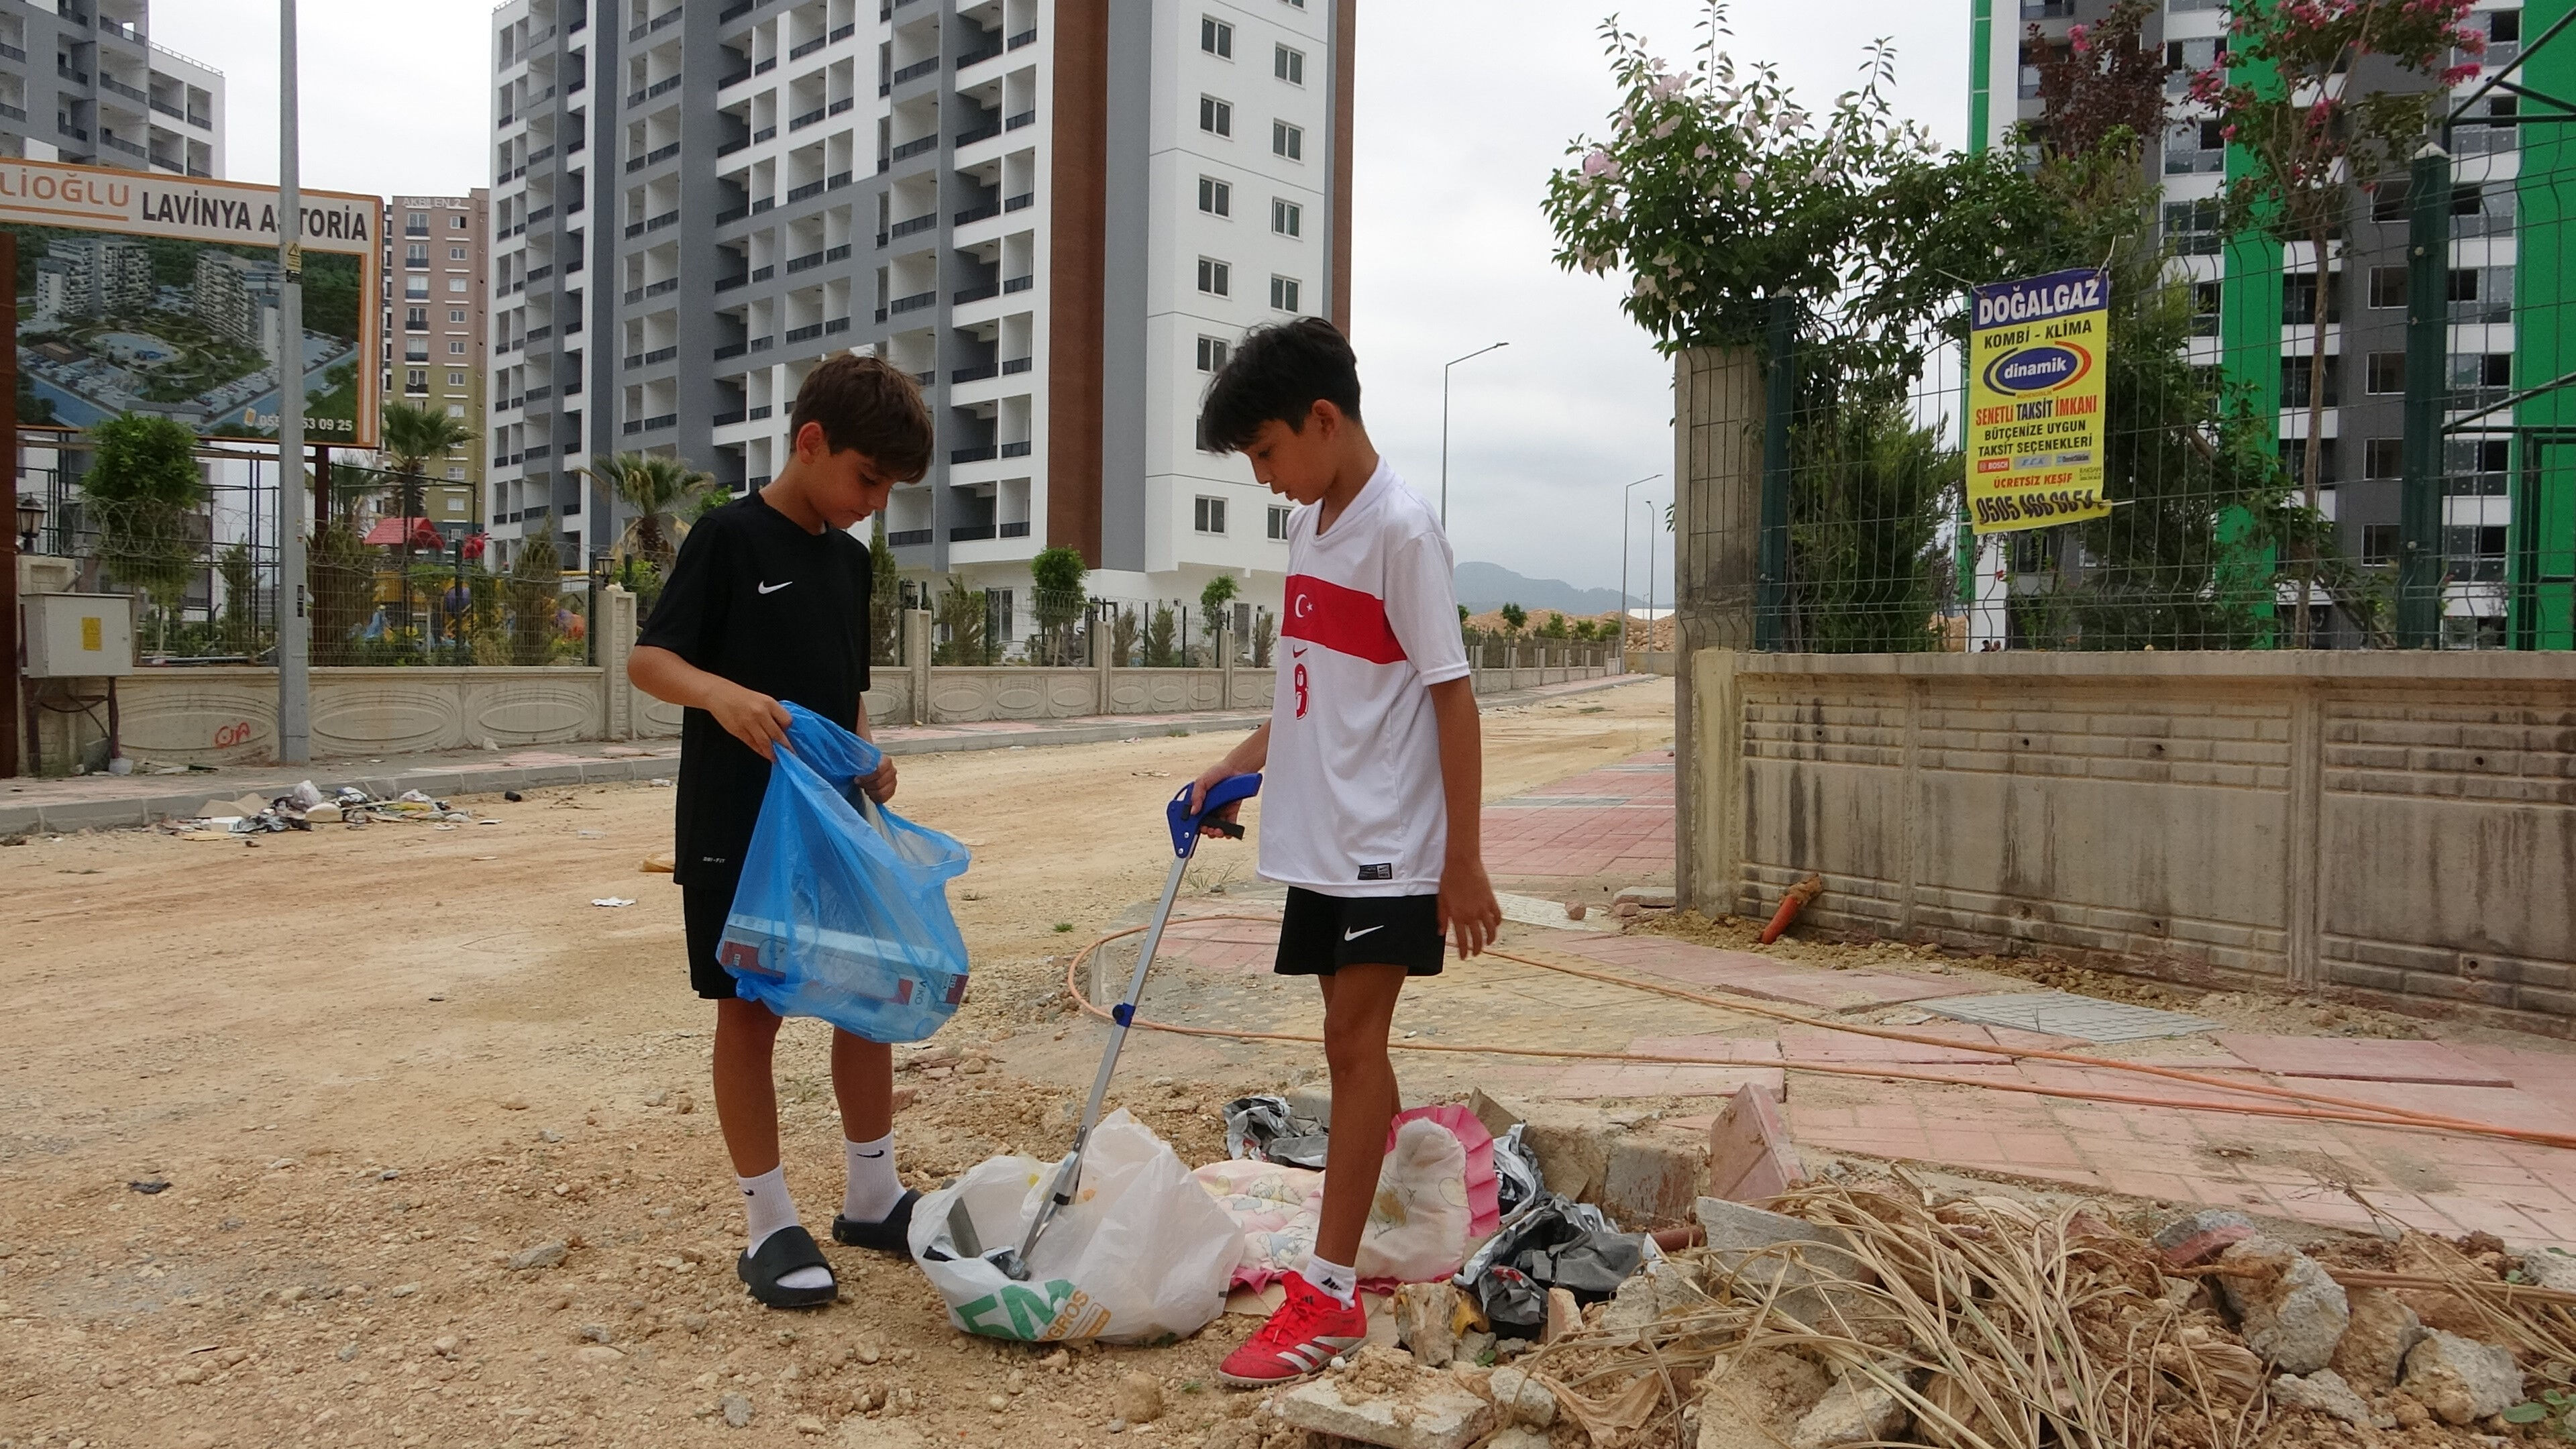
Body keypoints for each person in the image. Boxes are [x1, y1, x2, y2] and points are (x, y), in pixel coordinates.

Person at [1183, 318, 1503, 1386]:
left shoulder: (1400, 531)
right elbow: (1307, 698)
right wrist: (1229, 769)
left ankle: (1325, 1300)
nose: (1267, 478)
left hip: (1390, 848)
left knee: (1352, 1043)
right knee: (1348, 1043)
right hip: (1322, 842)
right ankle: (1357, 1251)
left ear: (1324, 419)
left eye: (1268, 452)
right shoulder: (1312, 526)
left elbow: (1454, 701)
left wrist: (1463, 861)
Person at [627, 354, 934, 1309]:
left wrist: (869, 762)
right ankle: (768, 1223)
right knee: (749, 1011)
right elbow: (648, 659)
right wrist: (721, 696)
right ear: (811, 444)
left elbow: (844, 696)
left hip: (833, 826)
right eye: (867, 479)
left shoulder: (848, 561)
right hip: (738, 825)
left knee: (863, 997)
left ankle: (873, 1195)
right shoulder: (727, 539)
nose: (875, 504)